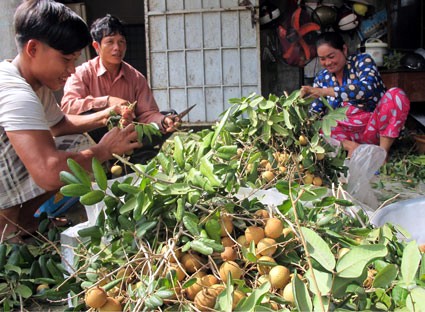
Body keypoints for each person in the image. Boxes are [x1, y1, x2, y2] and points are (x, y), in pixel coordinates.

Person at [0, 0, 142, 241]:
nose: (72, 70)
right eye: (66, 60)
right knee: (75, 161)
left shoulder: (34, 84)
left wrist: (109, 113)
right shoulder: (16, 93)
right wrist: (105, 149)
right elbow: (47, 172)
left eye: (75, 60)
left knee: (76, 144)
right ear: (33, 49)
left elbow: (60, 126)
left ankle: (23, 222)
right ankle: (7, 226)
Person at [61, 14, 180, 162]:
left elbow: (147, 114)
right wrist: (107, 102)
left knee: (168, 115)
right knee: (92, 116)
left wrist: (164, 121)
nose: (117, 48)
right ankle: (104, 160)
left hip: (127, 134)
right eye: (110, 42)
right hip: (95, 139)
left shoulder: (135, 77)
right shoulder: (83, 73)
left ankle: (136, 156)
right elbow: (68, 106)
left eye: (121, 42)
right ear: (96, 46)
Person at [300, 31, 410, 158]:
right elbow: (316, 113)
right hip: (344, 136)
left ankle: (381, 154)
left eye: (331, 56)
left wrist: (326, 91)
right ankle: (351, 147)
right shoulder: (321, 78)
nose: (328, 63)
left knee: (396, 95)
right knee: (315, 126)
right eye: (322, 59)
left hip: (372, 130)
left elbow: (366, 89)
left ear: (344, 49)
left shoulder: (362, 62)